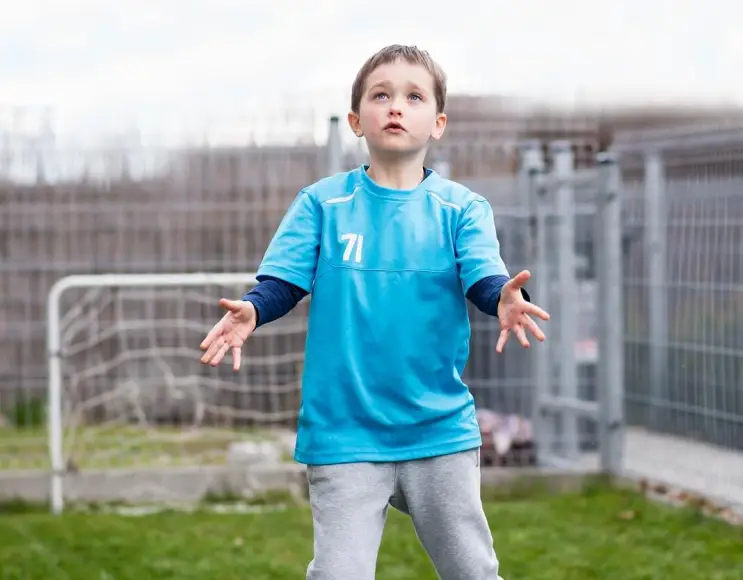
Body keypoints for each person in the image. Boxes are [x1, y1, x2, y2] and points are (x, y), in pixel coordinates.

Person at [200, 44, 550, 580]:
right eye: (380, 94)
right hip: (344, 433)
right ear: (355, 120)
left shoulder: (462, 209)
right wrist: (253, 308)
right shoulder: (322, 204)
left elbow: (483, 276)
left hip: (438, 430)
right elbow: (283, 281)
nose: (395, 106)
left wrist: (502, 295)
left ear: (437, 123)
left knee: (473, 571)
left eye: (413, 97)